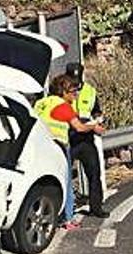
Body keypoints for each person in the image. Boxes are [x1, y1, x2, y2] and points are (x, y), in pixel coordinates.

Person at [33, 74, 105, 230]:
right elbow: (79, 127)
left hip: (39, 145)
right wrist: (93, 127)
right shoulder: (63, 106)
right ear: (63, 91)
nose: (75, 95)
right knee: (66, 183)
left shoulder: (41, 103)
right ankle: (67, 219)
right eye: (72, 92)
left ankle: (49, 215)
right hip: (59, 146)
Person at [65, 63, 108, 218]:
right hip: (69, 139)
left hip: (86, 139)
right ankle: (64, 212)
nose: (74, 82)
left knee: (94, 174)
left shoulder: (90, 91)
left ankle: (96, 207)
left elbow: (96, 111)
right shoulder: (61, 92)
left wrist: (99, 120)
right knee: (64, 175)